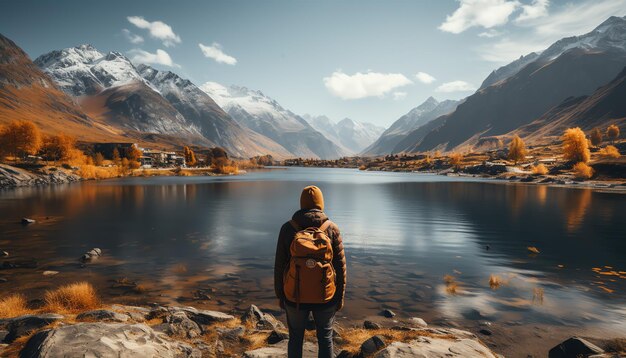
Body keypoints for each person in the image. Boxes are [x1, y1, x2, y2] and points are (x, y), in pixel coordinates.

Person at [274, 185, 347, 358]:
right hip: (326, 296)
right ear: (321, 204)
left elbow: (279, 266)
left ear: (301, 204)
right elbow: (341, 267)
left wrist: (280, 295)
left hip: (294, 296)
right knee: (325, 338)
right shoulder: (332, 228)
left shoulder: (288, 228)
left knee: (295, 338)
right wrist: (340, 297)